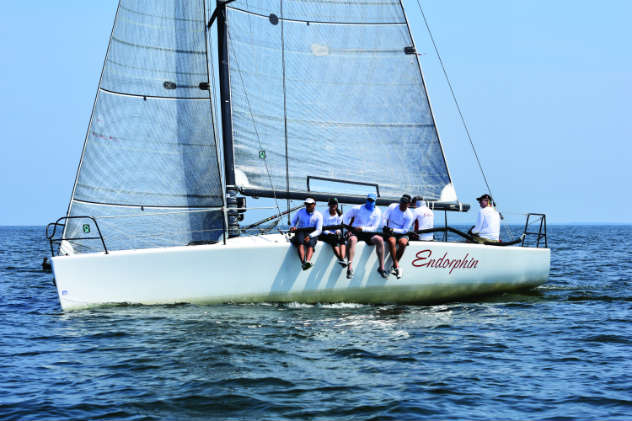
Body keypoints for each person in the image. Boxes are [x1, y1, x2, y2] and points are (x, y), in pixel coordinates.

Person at [343, 193, 386, 279]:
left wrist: (362, 228)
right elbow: (345, 218)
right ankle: (349, 269)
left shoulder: (378, 211)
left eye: (372, 201)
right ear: (366, 200)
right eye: (369, 200)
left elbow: (374, 228)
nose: (370, 202)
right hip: (355, 232)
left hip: (368, 233)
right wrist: (350, 228)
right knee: (352, 240)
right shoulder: (357, 208)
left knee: (380, 239)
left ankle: (381, 268)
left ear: (375, 202)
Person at [382, 194, 414, 279]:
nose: (402, 204)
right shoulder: (392, 206)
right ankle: (396, 266)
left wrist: (393, 230)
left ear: (409, 204)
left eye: (405, 203)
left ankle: (394, 266)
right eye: (402, 202)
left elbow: (405, 230)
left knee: (403, 243)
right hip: (390, 232)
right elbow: (384, 217)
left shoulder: (409, 215)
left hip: (401, 232)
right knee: (392, 241)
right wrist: (385, 226)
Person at [289, 197, 323, 270]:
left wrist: (310, 236)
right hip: (300, 231)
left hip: (312, 233)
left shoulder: (318, 215)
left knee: (311, 244)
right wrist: (292, 227)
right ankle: (303, 263)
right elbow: (293, 221)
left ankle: (308, 261)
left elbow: (319, 230)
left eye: (310, 204)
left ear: (314, 205)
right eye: (307, 204)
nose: (308, 206)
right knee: (300, 243)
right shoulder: (300, 211)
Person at [319, 197, 347, 267]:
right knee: (333, 239)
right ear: (329, 205)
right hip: (325, 233)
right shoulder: (324, 214)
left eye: (335, 204)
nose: (333, 205)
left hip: (335, 233)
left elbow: (338, 226)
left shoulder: (340, 214)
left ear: (337, 205)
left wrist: (338, 231)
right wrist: (330, 233)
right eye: (331, 204)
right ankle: (341, 259)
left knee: (342, 239)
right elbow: (323, 228)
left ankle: (342, 258)